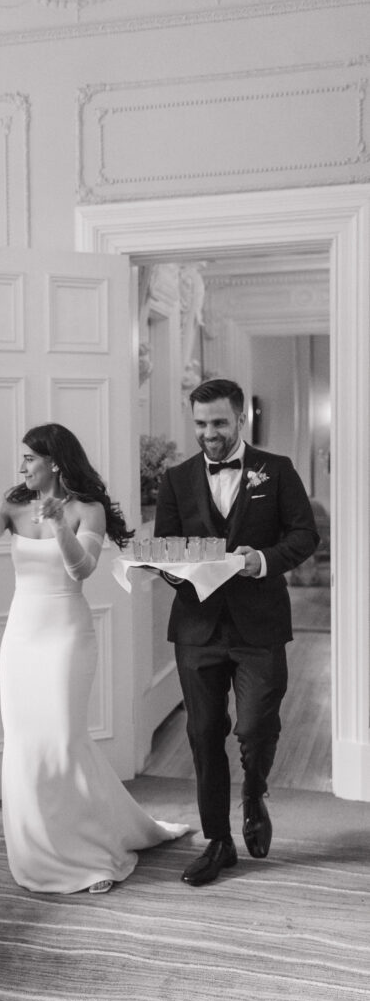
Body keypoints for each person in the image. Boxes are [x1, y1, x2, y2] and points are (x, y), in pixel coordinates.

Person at [0, 422, 189, 895]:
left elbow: (81, 569)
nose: (21, 467)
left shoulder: (89, 509)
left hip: (66, 637)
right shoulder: (13, 503)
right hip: (21, 637)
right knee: (25, 743)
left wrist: (61, 525)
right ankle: (37, 850)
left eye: (29, 459)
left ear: (54, 462)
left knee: (63, 739)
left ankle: (89, 851)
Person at [154, 378, 320, 886]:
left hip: (259, 626)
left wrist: (262, 560)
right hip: (197, 628)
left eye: (220, 424)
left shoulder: (277, 470)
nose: (210, 434)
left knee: (254, 728)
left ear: (240, 419)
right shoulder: (177, 478)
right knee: (204, 736)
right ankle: (218, 843)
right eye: (201, 424)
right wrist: (169, 567)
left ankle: (254, 790)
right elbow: (166, 547)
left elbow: (304, 536)